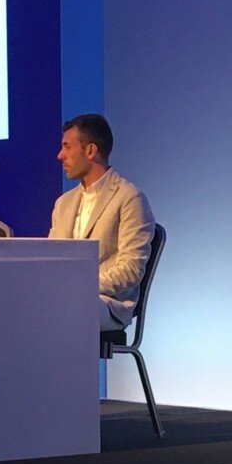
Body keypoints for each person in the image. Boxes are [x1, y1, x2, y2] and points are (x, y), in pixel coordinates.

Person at [48, 114, 154, 333]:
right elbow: (52, 262)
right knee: (28, 305)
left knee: (67, 307)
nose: (60, 155)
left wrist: (81, 286)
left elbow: (131, 269)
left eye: (67, 147)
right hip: (66, 298)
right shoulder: (63, 203)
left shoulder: (129, 198)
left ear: (90, 151)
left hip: (108, 304)